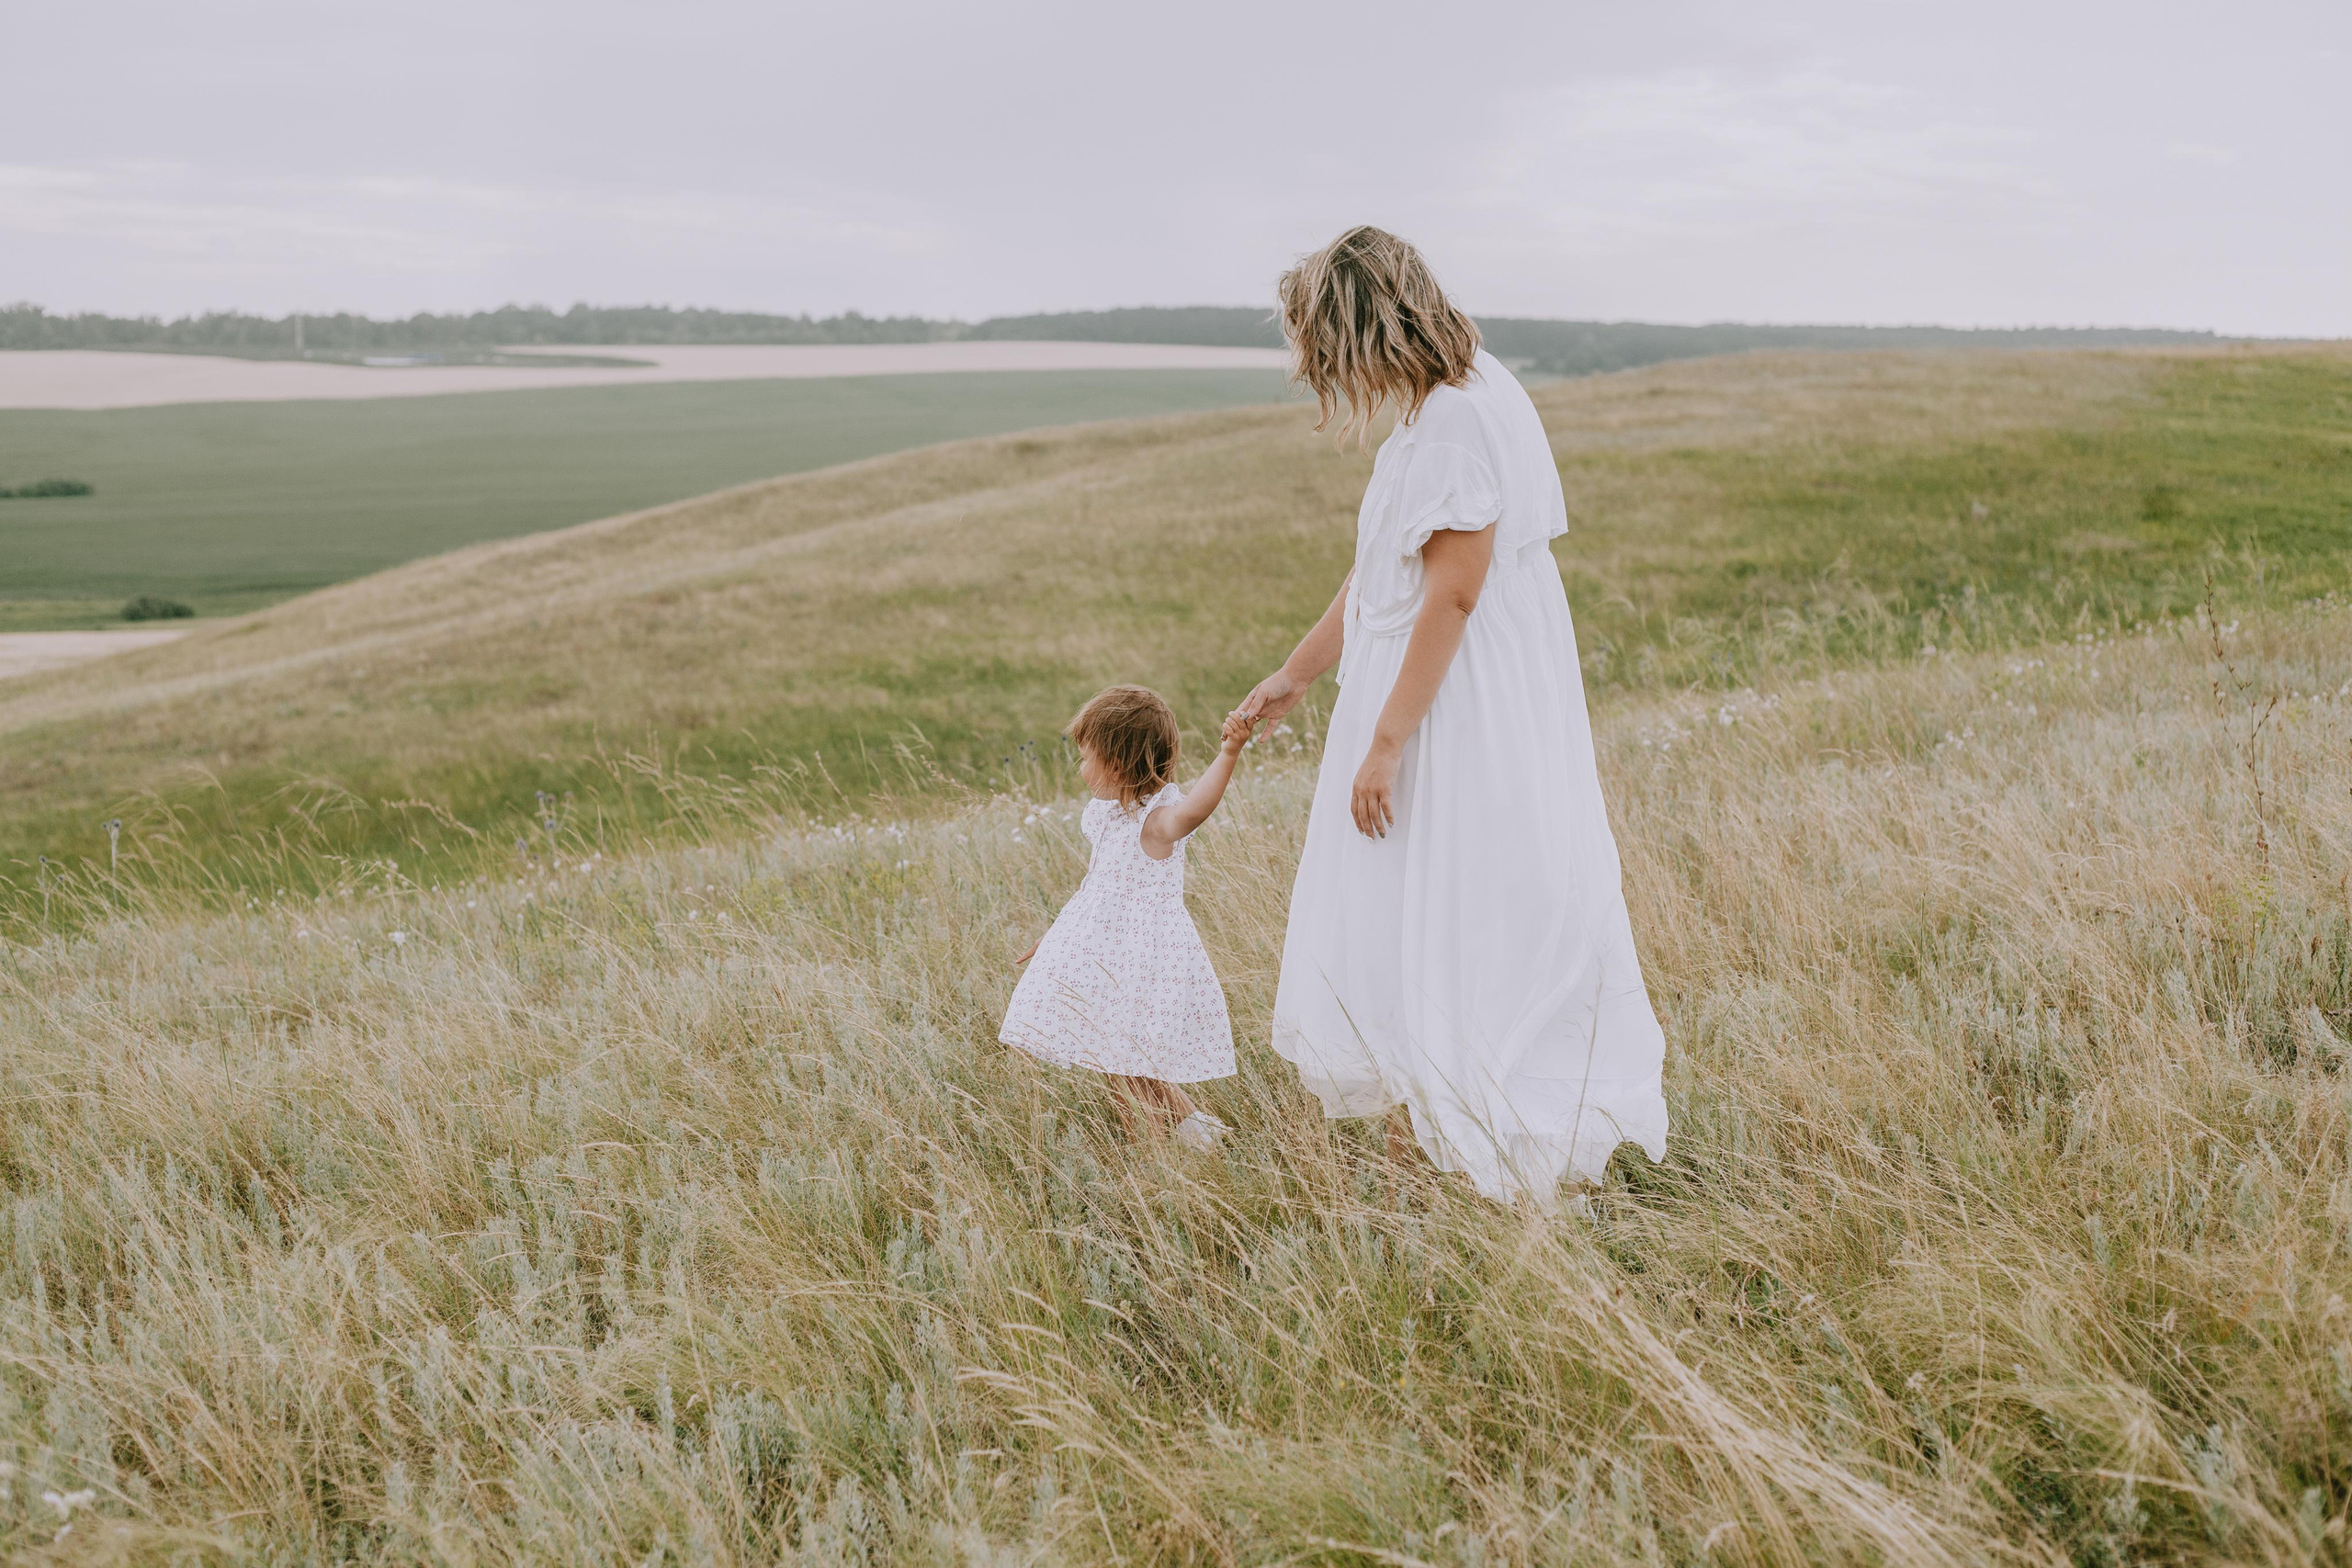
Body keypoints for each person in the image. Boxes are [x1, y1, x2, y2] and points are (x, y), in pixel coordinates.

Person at [1235, 225, 1670, 1203]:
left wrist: (1387, 743)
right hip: (1418, 692)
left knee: (1462, 900)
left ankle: (1481, 1129)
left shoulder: (1463, 418)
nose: (1317, 367)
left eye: (1319, 343)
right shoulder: (1435, 410)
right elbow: (1384, 569)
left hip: (1452, 709)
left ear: (1358, 326)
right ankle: (1428, 1127)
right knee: (1414, 906)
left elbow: (1453, 594)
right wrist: (1297, 676)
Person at [1001, 686, 1255, 1147]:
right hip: (1105, 959)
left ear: (1116, 764)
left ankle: (1169, 1147)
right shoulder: (1111, 819)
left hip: (1140, 966)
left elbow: (1198, 807)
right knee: (1117, 1064)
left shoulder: (1156, 824)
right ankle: (1194, 1141)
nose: (1080, 768)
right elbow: (1093, 892)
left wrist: (1230, 751)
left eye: (1086, 757)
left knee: (1130, 1066)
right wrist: (1057, 939)